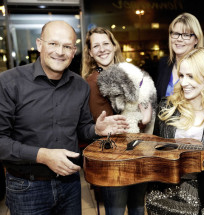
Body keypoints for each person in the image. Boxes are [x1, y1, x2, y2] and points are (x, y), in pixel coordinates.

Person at [0, 21, 129, 215]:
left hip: (70, 185)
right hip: (26, 187)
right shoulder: (10, 82)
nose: (60, 52)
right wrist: (42, 155)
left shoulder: (80, 86)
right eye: (53, 44)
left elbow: (82, 127)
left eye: (67, 46)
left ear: (74, 51)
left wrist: (96, 130)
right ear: (39, 44)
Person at [146, 47, 204, 215]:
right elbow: (155, 154)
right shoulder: (166, 108)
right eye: (181, 75)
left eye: (191, 76)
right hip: (161, 196)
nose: (183, 83)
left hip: (202, 199)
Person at [82, 26, 151, 215]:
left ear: (114, 46)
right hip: (114, 160)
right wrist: (142, 117)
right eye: (96, 46)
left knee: (137, 207)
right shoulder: (92, 82)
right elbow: (116, 126)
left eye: (106, 43)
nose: (102, 49)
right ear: (90, 52)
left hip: (138, 152)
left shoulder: (128, 73)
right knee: (117, 210)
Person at [155, 12, 204, 103]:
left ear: (196, 40)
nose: (179, 39)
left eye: (186, 35)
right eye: (176, 34)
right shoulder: (164, 63)